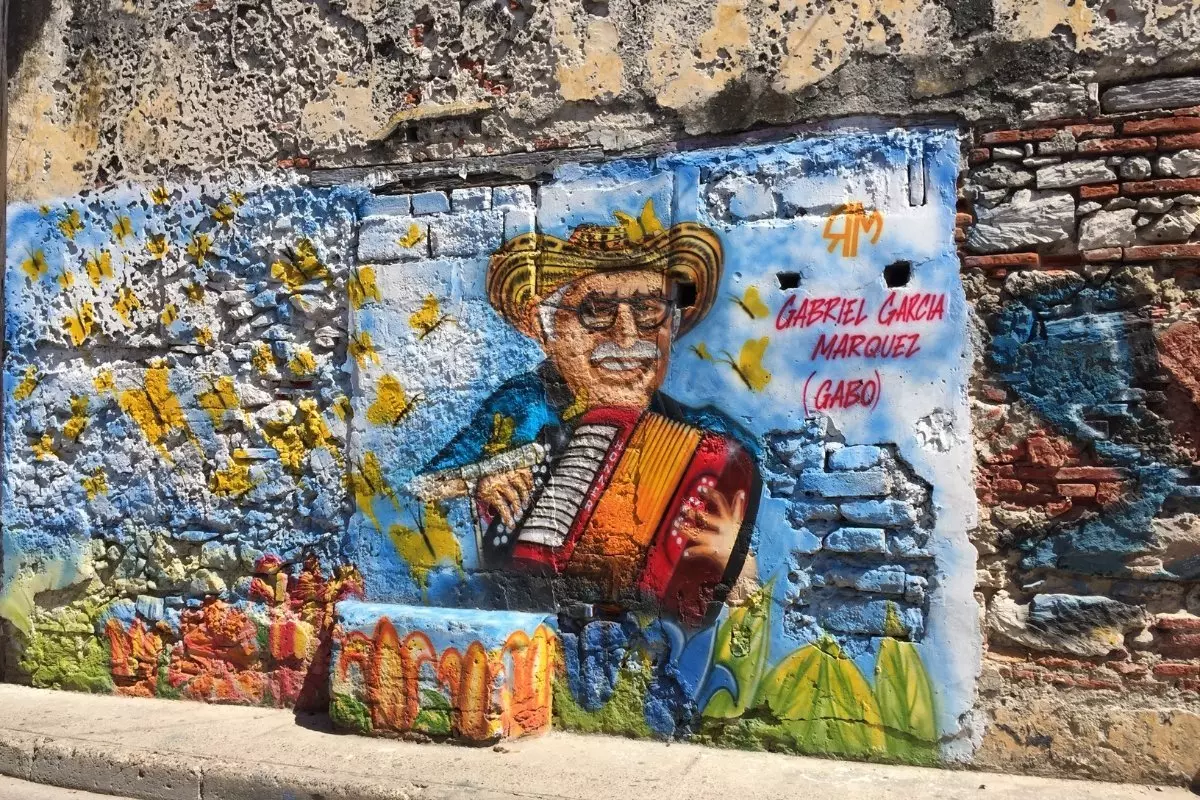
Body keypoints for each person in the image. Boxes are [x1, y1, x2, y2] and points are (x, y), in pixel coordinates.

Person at [414, 202, 761, 624]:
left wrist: (730, 559)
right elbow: (424, 487)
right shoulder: (524, 405)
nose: (627, 334)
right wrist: (482, 479)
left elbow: (740, 599)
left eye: (648, 310)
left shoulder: (705, 438)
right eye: (596, 311)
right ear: (546, 331)